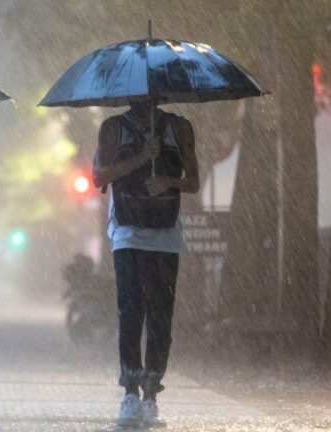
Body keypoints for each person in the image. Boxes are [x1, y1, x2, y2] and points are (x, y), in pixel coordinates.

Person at [93, 101, 199, 428]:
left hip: (165, 235)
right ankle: (130, 391)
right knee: (130, 310)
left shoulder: (179, 127)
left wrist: (168, 181)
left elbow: (194, 182)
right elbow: (99, 176)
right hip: (127, 233)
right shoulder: (113, 128)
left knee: (160, 316)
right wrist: (140, 157)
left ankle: (151, 394)